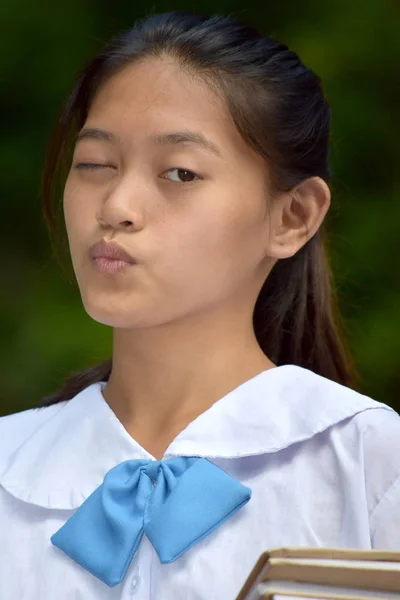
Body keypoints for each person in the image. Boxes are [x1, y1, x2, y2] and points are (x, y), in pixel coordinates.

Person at [1, 9, 399, 600]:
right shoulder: (11, 467)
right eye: (94, 165)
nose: (116, 205)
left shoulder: (367, 462)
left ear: (293, 216)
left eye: (180, 173)